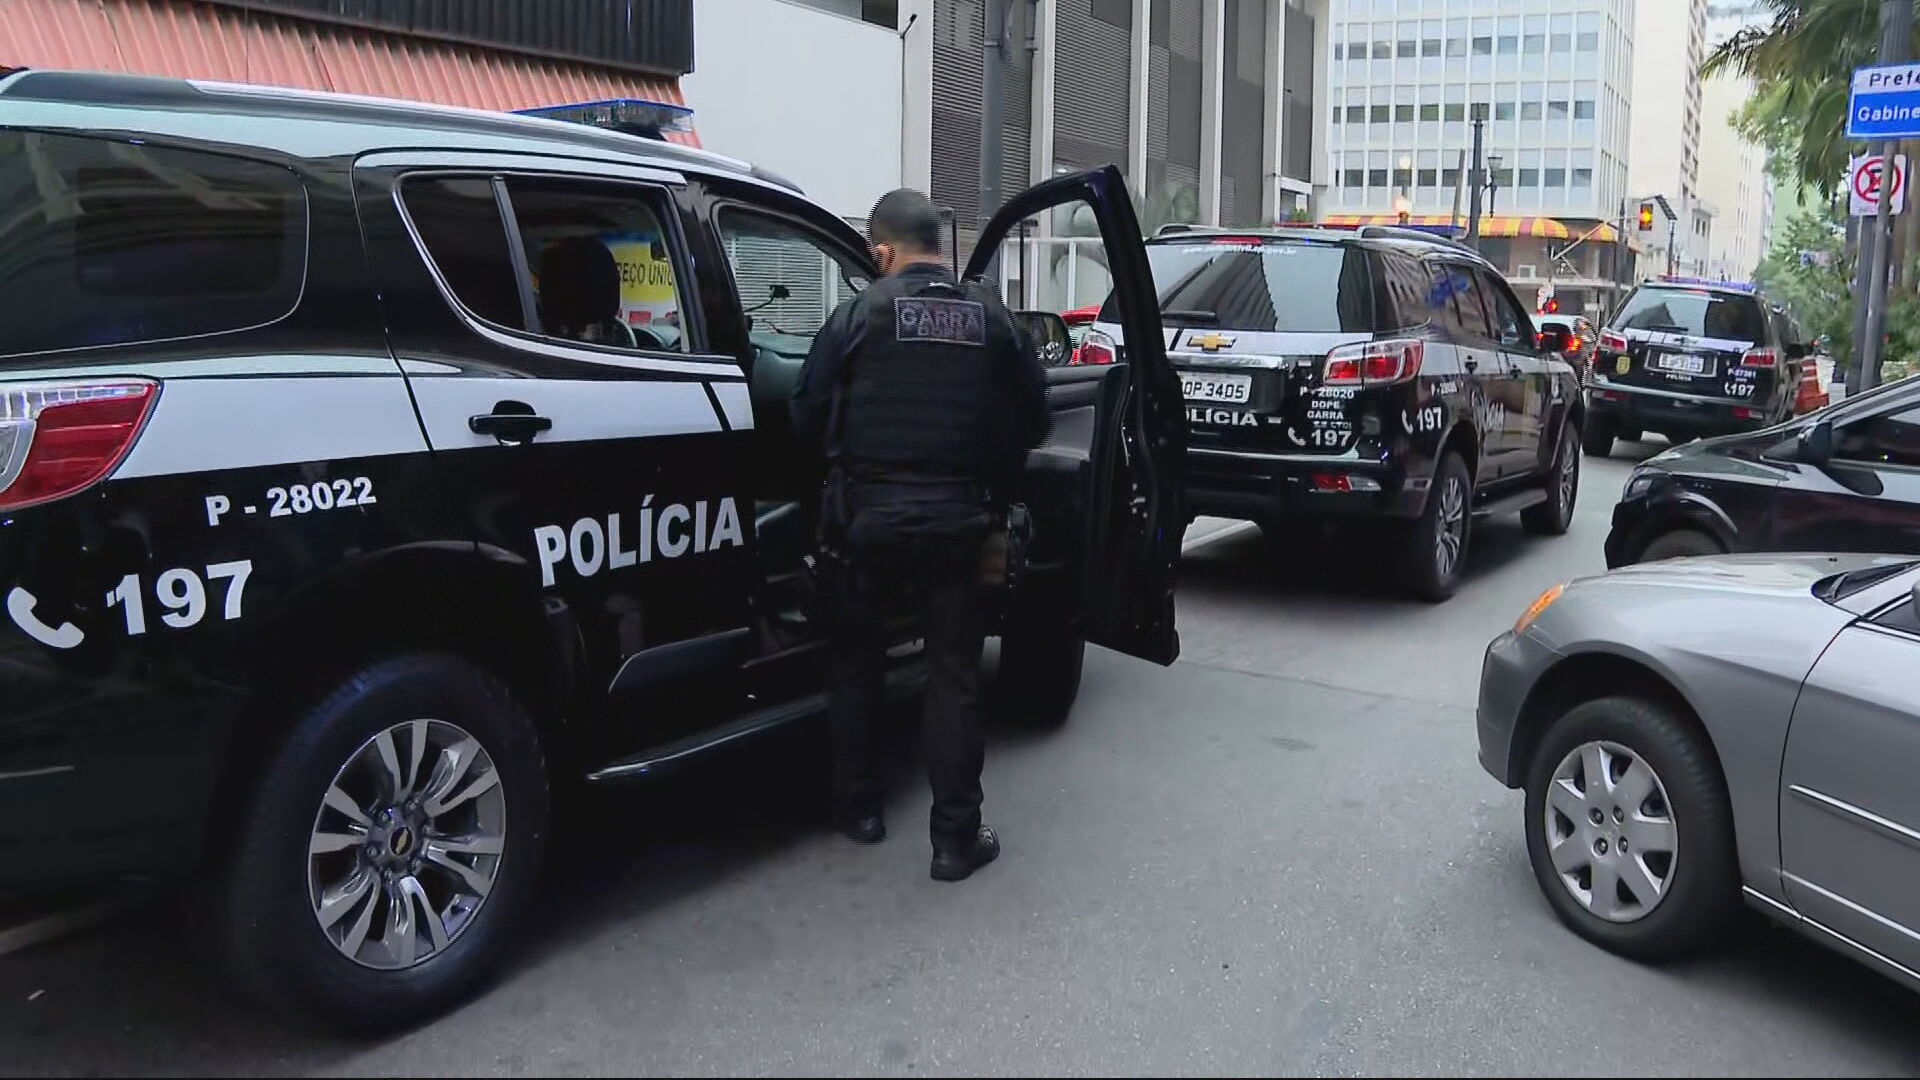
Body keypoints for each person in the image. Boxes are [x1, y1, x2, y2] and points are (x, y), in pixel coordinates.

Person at [791, 188, 1049, 882]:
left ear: (881, 252)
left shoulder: (855, 315)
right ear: (940, 246)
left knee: (855, 665)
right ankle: (954, 841)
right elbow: (1036, 421)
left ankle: (858, 810)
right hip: (960, 527)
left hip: (865, 526)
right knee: (953, 679)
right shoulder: (990, 320)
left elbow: (806, 418)